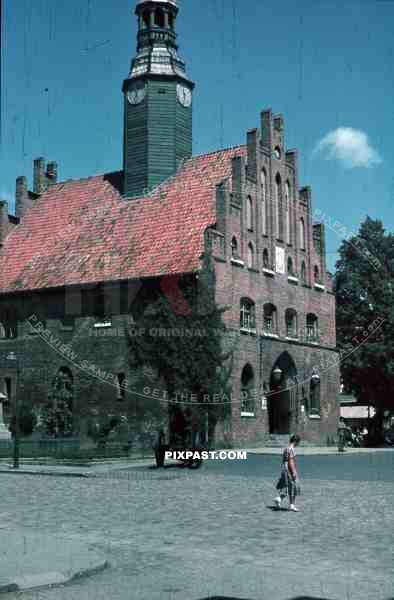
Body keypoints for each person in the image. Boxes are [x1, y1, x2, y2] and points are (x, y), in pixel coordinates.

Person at [274, 434, 301, 512]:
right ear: (296, 441)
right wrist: (294, 472)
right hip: (289, 469)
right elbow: (291, 461)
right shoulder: (291, 449)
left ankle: (279, 499)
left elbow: (284, 460)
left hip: (284, 469)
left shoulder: (286, 448)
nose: (298, 444)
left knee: (286, 486)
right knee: (294, 486)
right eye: (298, 442)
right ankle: (291, 505)